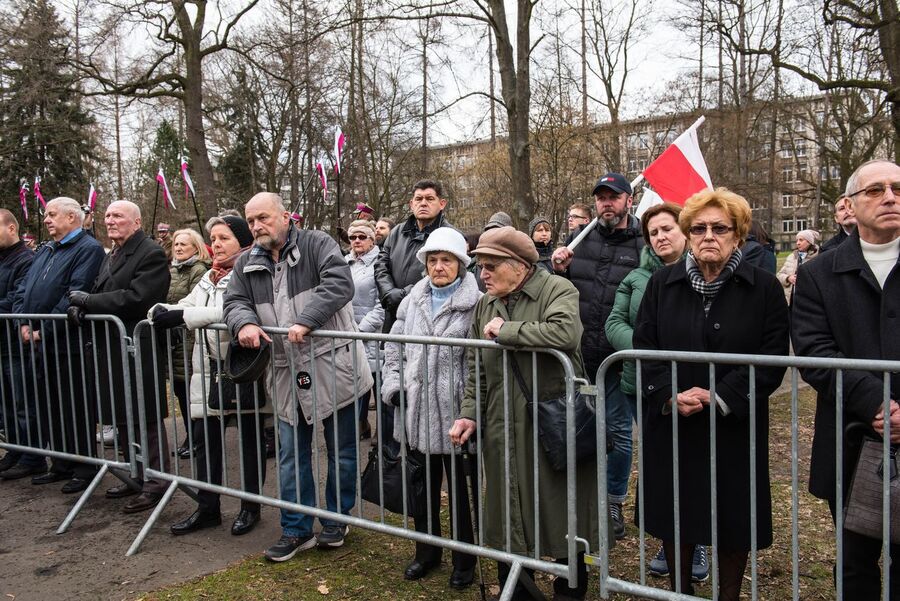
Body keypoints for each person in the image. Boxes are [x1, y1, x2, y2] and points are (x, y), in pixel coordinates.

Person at [633, 187, 789, 600]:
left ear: (738, 235)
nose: (708, 236)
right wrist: (668, 395)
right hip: (674, 424)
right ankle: (680, 591)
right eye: (698, 228)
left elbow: (772, 357)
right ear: (688, 233)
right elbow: (643, 348)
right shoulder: (661, 284)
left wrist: (719, 395)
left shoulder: (764, 288)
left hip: (734, 426)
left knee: (734, 517)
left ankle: (728, 595)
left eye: (720, 228)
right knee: (676, 513)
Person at [449, 226, 599, 600]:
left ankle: (570, 589)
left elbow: (565, 333)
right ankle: (519, 591)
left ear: (519, 265)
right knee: (508, 512)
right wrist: (470, 413)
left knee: (563, 511)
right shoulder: (486, 303)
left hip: (552, 422)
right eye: (480, 266)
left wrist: (508, 331)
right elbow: (477, 366)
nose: (482, 274)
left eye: (490, 266)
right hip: (501, 424)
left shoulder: (558, 289)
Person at [223, 192, 373, 562]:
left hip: (335, 367)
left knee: (342, 451)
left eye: (263, 217)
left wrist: (307, 320)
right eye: (251, 220)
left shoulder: (318, 244)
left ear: (286, 216)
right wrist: (243, 323)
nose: (256, 226)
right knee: (291, 454)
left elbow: (339, 284)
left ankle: (337, 519)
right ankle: (296, 529)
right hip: (285, 371)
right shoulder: (246, 263)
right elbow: (234, 301)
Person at [792, 159, 900, 599]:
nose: (890, 197)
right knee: (855, 560)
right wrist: (878, 403)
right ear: (850, 206)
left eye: (897, 189)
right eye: (875, 190)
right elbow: (813, 349)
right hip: (852, 435)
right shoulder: (819, 273)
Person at [150, 215, 269, 537]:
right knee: (205, 442)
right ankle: (207, 508)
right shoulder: (209, 276)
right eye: (213, 238)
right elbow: (185, 303)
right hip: (206, 370)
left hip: (242, 369)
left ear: (243, 242)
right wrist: (158, 310)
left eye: (224, 238)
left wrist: (185, 316)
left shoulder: (253, 271)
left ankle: (250, 507)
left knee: (249, 442)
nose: (215, 244)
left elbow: (235, 312)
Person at [603, 202, 704, 581]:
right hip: (643, 385)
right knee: (660, 465)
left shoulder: (705, 274)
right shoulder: (636, 278)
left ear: (685, 230)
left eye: (667, 229)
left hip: (693, 385)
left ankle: (699, 542)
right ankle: (669, 541)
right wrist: (648, 348)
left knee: (693, 463)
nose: (661, 237)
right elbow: (614, 322)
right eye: (653, 232)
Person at [382, 227, 481, 589]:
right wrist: (394, 386)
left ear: (460, 264)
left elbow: (478, 364)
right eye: (433, 260)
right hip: (417, 412)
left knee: (461, 493)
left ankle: (464, 559)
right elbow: (393, 348)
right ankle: (426, 553)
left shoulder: (476, 303)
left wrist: (470, 407)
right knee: (422, 488)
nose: (439, 267)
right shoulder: (413, 300)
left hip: (456, 415)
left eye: (447, 260)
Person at [551, 173, 644, 541]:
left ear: (629, 201)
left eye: (614, 196)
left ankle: (613, 501)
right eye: (601, 197)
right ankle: (582, 498)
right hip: (579, 356)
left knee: (618, 431)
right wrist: (558, 268)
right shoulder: (581, 239)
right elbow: (560, 291)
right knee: (577, 428)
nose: (607, 203)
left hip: (618, 359)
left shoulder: (643, 243)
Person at [67, 200, 171, 513]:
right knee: (123, 413)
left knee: (145, 415)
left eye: (118, 216)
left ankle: (157, 481)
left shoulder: (150, 253)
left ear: (136, 222)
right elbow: (103, 288)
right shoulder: (112, 253)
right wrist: (81, 308)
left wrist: (89, 301)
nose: (110, 220)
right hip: (112, 347)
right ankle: (136, 474)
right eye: (108, 215)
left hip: (138, 346)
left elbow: (138, 298)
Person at [8, 198, 106, 492]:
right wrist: (23, 322)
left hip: (68, 342)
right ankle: (61, 463)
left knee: (73, 405)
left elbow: (75, 293)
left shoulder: (88, 249)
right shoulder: (46, 249)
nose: (46, 219)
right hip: (39, 341)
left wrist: (44, 329)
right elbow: (24, 288)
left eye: (52, 214)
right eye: (46, 214)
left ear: (72, 217)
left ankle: (84, 468)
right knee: (50, 405)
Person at [375, 180, 453, 454]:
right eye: (418, 198)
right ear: (411, 203)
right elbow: (381, 264)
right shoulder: (397, 232)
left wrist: (404, 296)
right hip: (393, 316)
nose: (423, 203)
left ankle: (422, 451)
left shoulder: (446, 234)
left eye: (429, 198)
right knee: (391, 381)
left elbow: (436, 273)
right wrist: (389, 293)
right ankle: (391, 459)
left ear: (441, 203)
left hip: (425, 318)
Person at [166, 228, 211, 458]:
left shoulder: (199, 270)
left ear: (196, 247)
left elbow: (194, 303)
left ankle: (197, 439)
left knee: (192, 392)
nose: (179, 248)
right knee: (180, 390)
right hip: (174, 342)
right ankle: (190, 436)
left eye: (184, 244)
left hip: (191, 341)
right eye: (176, 244)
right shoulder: (172, 270)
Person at [0, 209, 38, 479]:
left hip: (15, 344)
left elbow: (17, 299)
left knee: (23, 401)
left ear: (11, 228)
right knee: (6, 404)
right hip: (1, 345)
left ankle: (32, 456)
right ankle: (14, 449)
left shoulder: (26, 259)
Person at [345, 220, 384, 440]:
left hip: (372, 333)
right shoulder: (344, 263)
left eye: (362, 236)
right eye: (353, 237)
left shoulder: (381, 263)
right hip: (348, 334)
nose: (357, 241)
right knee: (354, 384)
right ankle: (360, 424)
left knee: (378, 383)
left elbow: (382, 305)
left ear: (372, 239)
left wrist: (359, 331)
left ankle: (382, 429)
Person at [776, 229, 820, 306]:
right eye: (797, 240)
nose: (798, 243)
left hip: (809, 302)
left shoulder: (818, 258)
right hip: (791, 301)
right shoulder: (792, 257)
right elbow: (779, 275)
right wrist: (788, 278)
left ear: (810, 242)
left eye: (801, 240)